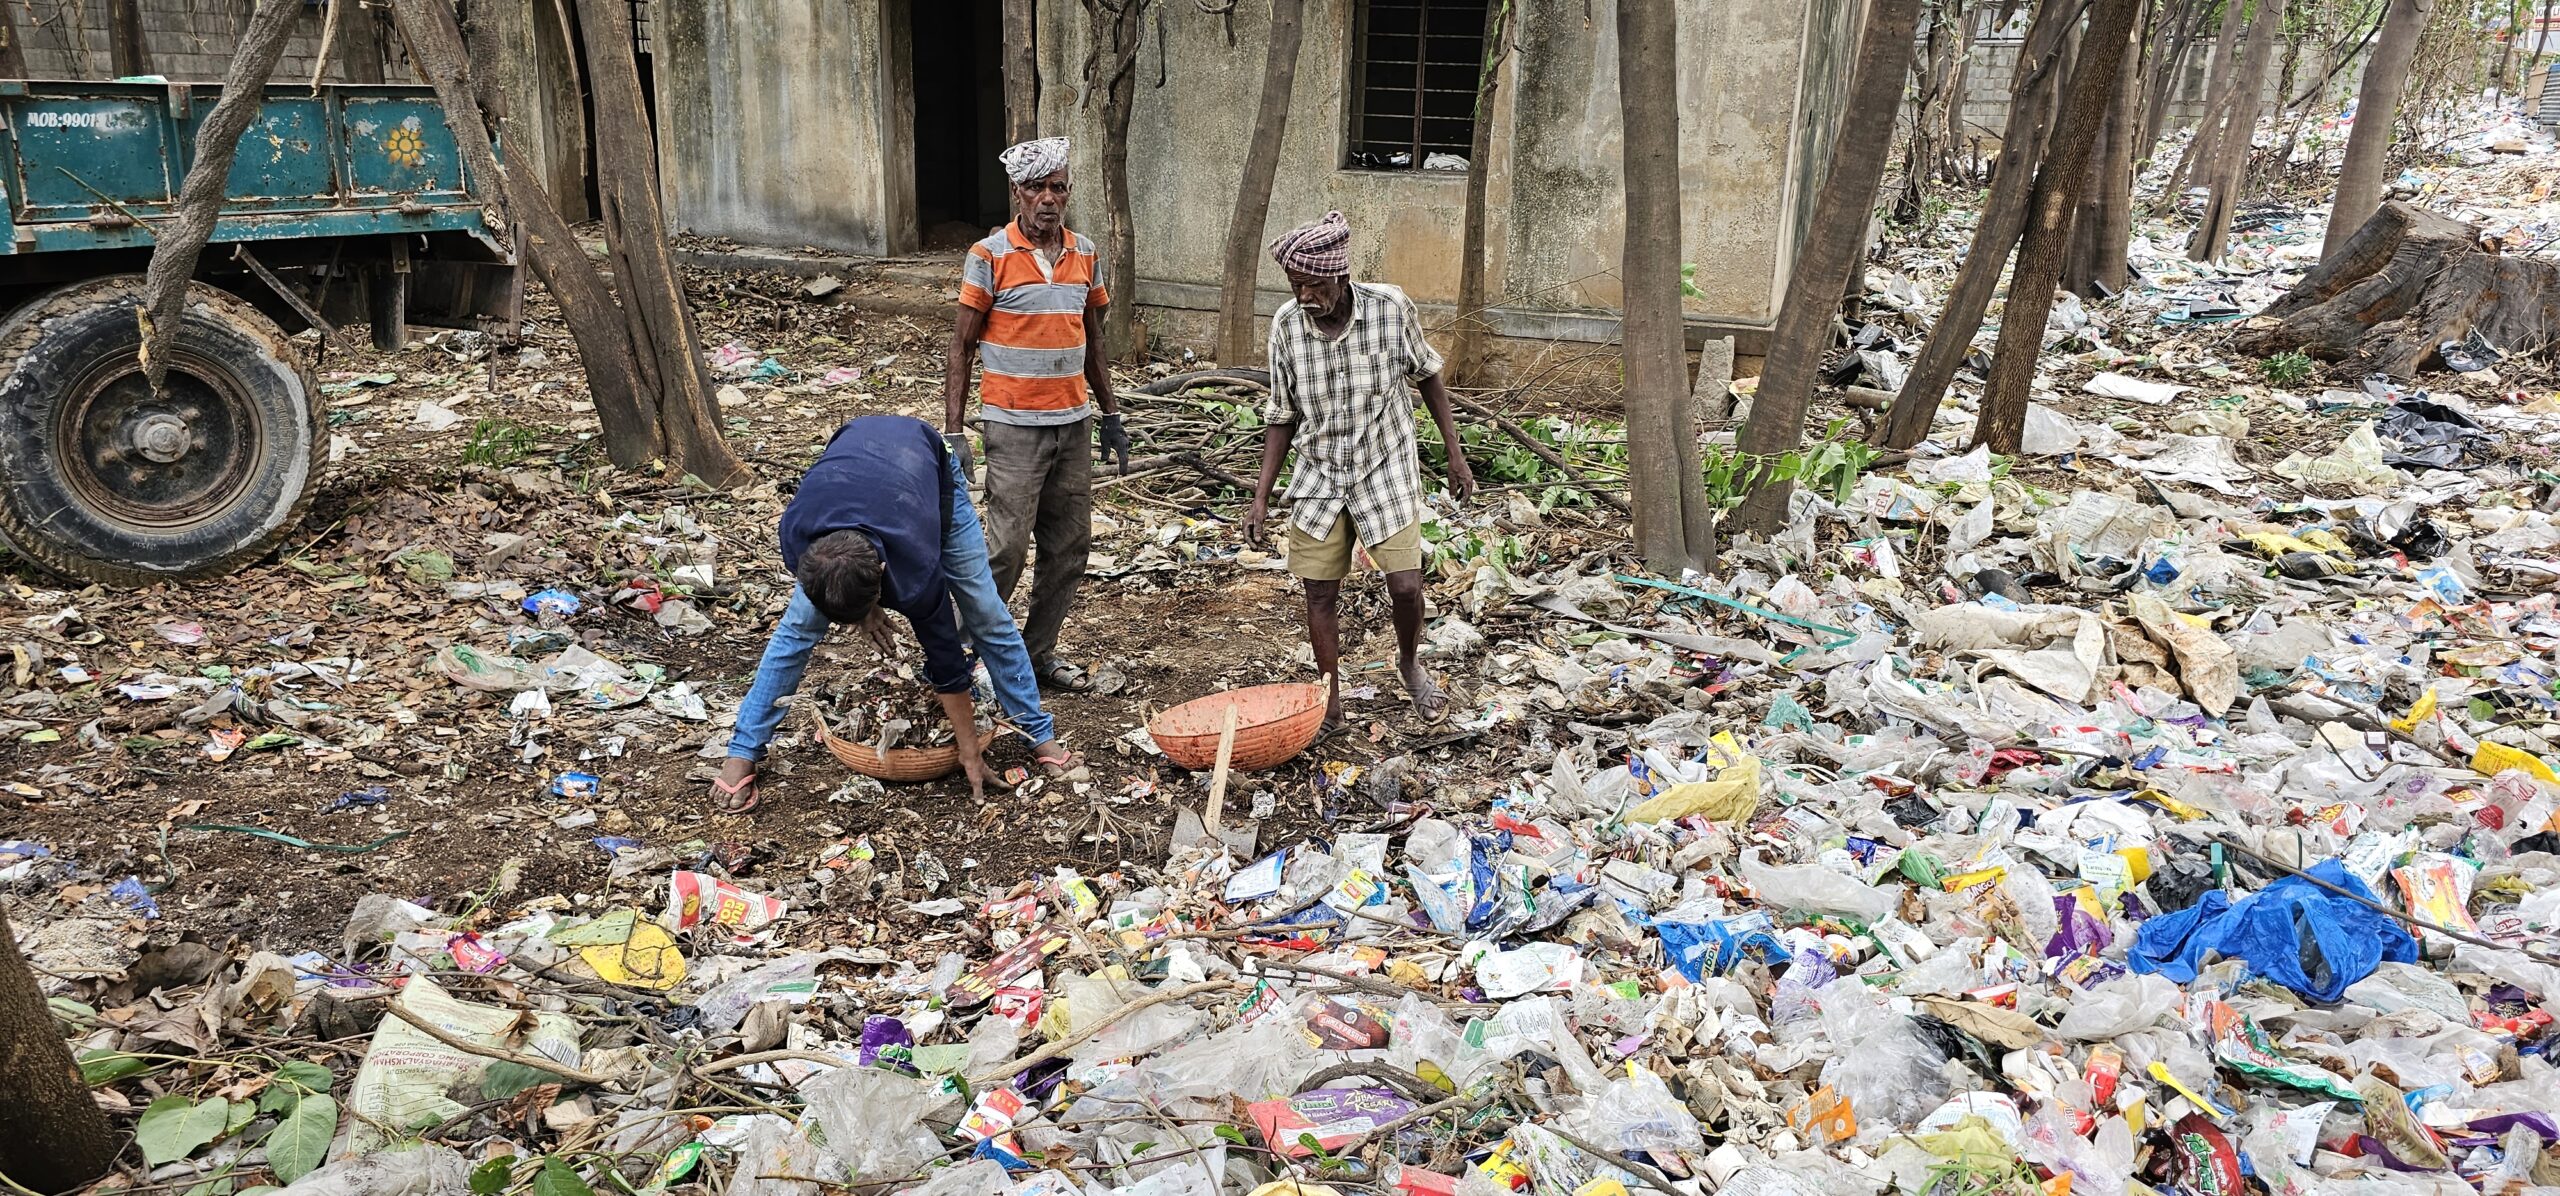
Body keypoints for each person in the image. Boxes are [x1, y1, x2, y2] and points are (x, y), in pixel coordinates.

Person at [710, 415, 1082, 814]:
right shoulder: (797, 539)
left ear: (884, 573)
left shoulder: (918, 573)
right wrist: (864, 612)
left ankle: (1037, 733)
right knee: (798, 628)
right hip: (854, 458)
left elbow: (947, 664)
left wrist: (969, 751)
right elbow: (828, 591)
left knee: (986, 613)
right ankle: (743, 749)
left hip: (929, 468)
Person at [1242, 211, 1475, 730]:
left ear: (1341, 275)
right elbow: (1282, 414)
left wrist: (1454, 453)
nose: (1305, 296)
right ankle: (1330, 700)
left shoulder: (1390, 308)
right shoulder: (1286, 326)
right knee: (1320, 591)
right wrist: (1261, 497)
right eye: (1296, 285)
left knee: (1406, 585)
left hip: (1384, 463)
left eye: (1315, 285)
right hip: (1320, 472)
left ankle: (1409, 664)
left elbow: (1428, 375)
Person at [944, 135, 1130, 695]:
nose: (1048, 199)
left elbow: (1092, 340)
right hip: (1012, 426)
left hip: (1072, 424)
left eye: (1058, 188)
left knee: (1070, 547)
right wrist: (954, 431)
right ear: (1017, 193)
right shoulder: (989, 256)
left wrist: (1111, 414)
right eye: (1036, 188)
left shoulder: (1085, 253)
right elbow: (961, 347)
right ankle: (958, 656)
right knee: (1004, 549)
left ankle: (1037, 653)